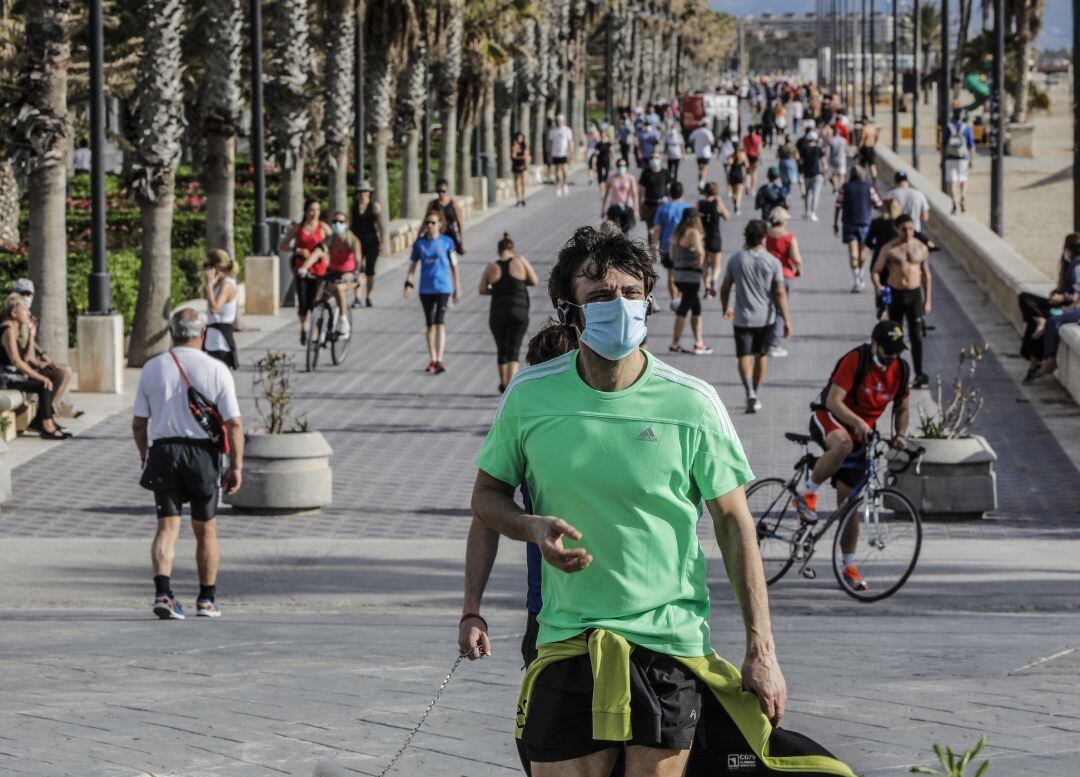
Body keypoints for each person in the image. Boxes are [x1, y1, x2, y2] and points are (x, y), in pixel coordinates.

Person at [470, 225, 840, 777]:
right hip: (567, 643)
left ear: (650, 302)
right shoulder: (530, 396)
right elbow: (486, 496)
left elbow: (736, 524)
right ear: (570, 311)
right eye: (599, 296)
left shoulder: (693, 403)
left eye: (629, 293)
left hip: (667, 646)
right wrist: (530, 526)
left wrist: (763, 651)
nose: (617, 307)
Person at [133, 308, 243, 620]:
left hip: (164, 452)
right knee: (205, 530)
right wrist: (235, 466)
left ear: (171, 331)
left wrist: (145, 456)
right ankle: (206, 599)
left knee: (167, 526)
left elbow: (138, 424)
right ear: (203, 332)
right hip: (202, 455)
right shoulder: (217, 369)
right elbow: (234, 424)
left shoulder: (152, 368)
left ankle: (164, 594)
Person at [791, 321, 911, 592]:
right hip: (830, 418)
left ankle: (848, 565)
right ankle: (805, 494)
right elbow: (834, 400)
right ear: (874, 344)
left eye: (896, 352)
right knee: (842, 445)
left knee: (849, 507)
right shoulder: (855, 360)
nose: (891, 357)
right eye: (886, 351)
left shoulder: (901, 370)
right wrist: (857, 422)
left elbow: (902, 406)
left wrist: (901, 434)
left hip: (863, 434)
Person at [721, 220, 793, 414]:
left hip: (742, 318)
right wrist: (786, 321)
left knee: (744, 355)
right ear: (763, 238)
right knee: (761, 356)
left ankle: (749, 391)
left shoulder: (736, 259)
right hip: (766, 318)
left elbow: (726, 286)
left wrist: (725, 307)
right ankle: (755, 391)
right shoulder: (772, 261)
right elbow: (780, 292)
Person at [871, 215, 932, 387]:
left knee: (916, 336)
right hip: (896, 295)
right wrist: (878, 287)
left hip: (914, 295)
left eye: (911, 228)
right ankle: (893, 373)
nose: (908, 232)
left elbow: (926, 275)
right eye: (904, 228)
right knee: (895, 337)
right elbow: (876, 271)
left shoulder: (921, 248)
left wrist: (928, 300)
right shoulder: (890, 249)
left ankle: (919, 374)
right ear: (897, 229)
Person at [0, 294, 68, 439]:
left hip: (15, 375)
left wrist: (31, 335)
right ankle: (46, 424)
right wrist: (40, 376)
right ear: (14, 312)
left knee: (55, 375)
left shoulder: (14, 328)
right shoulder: (8, 330)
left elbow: (26, 357)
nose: (29, 313)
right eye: (25, 310)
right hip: (6, 379)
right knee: (43, 384)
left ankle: (42, 419)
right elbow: (16, 362)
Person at [479, 231, 539, 393]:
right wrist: (519, 284)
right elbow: (534, 280)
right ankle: (510, 387)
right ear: (513, 250)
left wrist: (497, 291)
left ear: (499, 251)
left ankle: (503, 383)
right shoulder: (520, 261)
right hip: (519, 311)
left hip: (498, 312)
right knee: (514, 349)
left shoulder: (491, 267)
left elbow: (482, 289)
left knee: (502, 349)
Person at [1018, 234, 1080, 382]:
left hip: (1069, 306)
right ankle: (1040, 321)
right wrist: (1057, 294)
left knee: (1047, 320)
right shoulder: (1071, 265)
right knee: (1026, 299)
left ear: (1068, 249)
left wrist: (1065, 301)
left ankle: (1037, 364)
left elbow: (1078, 294)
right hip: (1062, 303)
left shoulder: (1077, 266)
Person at [405, 209, 460, 374]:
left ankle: (440, 359)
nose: (429, 225)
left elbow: (454, 266)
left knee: (439, 322)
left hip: (443, 287)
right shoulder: (419, 243)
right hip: (426, 288)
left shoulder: (447, 242)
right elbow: (413, 265)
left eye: (433, 222)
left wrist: (458, 287)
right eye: (428, 222)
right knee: (430, 324)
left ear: (440, 225)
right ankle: (433, 358)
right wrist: (408, 283)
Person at [10, 278, 73, 408]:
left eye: (29, 294)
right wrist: (37, 362)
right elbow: (22, 355)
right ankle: (45, 414)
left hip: (26, 364)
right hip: (18, 370)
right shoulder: (14, 319)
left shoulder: (25, 315)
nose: (26, 298)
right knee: (60, 373)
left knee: (66, 371)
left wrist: (43, 355)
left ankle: (49, 412)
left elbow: (28, 343)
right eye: (23, 294)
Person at [278, 198, 330, 345]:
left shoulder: (324, 228)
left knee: (316, 302)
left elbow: (333, 243)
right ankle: (304, 328)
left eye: (318, 210)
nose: (315, 213)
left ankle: (315, 333)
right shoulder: (298, 228)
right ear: (306, 211)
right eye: (312, 210)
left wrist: (326, 254)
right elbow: (282, 245)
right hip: (301, 271)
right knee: (303, 303)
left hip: (319, 271)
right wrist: (297, 250)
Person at [669, 208, 713, 355]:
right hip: (691, 277)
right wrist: (698, 263)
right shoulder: (693, 233)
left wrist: (680, 262)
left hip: (679, 275)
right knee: (683, 309)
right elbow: (701, 252)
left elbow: (671, 254)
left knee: (696, 309)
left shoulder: (677, 232)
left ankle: (698, 342)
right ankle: (675, 344)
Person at [834, 165, 883, 292]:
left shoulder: (845, 187)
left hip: (849, 224)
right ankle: (859, 276)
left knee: (853, 254)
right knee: (862, 254)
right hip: (864, 224)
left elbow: (838, 205)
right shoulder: (868, 188)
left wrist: (835, 224)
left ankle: (857, 278)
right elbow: (878, 204)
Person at [765, 208, 803, 359]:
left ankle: (767, 339)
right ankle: (773, 344)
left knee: (770, 308)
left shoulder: (767, 235)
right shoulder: (788, 237)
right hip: (785, 275)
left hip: (768, 275)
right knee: (781, 310)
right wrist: (799, 268)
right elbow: (796, 258)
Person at [651, 181, 692, 305]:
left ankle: (674, 299)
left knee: (671, 273)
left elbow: (657, 230)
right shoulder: (688, 208)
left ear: (669, 193)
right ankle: (680, 296)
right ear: (682, 192)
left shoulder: (663, 208)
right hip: (685, 246)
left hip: (667, 246)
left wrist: (654, 248)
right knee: (682, 272)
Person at [326, 210, 361, 335]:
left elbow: (358, 262)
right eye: (334, 222)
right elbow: (320, 253)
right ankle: (317, 327)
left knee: (339, 288)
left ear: (346, 224)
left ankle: (344, 320)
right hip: (332, 272)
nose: (337, 224)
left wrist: (354, 276)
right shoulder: (329, 240)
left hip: (348, 274)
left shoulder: (353, 240)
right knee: (319, 295)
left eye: (340, 222)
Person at [202, 249, 239, 368]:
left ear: (217, 267)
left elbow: (215, 309)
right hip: (212, 340)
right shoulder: (219, 283)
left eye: (207, 265)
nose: (204, 269)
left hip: (221, 342)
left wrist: (208, 286)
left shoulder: (227, 285)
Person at [351, 180, 384, 307]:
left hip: (372, 241)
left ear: (369, 193)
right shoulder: (353, 207)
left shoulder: (375, 206)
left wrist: (382, 241)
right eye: (360, 191)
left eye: (365, 191)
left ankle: (369, 296)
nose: (363, 194)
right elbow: (350, 224)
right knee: (357, 270)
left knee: (370, 271)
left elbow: (380, 225)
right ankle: (357, 296)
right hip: (357, 242)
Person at [697, 181, 731, 298]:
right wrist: (721, 205)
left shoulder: (699, 203)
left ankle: (706, 289)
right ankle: (714, 279)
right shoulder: (717, 203)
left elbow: (695, 220)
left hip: (702, 238)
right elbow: (727, 216)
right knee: (716, 266)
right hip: (715, 236)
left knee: (704, 265)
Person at [942, 109, 975, 214]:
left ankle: (954, 203)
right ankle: (963, 197)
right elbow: (971, 146)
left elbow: (943, 145)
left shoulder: (948, 127)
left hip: (950, 158)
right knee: (964, 179)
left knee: (952, 182)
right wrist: (971, 160)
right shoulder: (966, 128)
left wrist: (942, 159)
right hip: (963, 158)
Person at [601, 158, 639, 235]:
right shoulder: (611, 178)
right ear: (616, 166)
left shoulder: (630, 178)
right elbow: (606, 194)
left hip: (627, 207)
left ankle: (624, 245)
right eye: (619, 165)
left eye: (623, 165)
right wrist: (603, 209)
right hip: (614, 206)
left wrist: (636, 210)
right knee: (611, 230)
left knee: (625, 231)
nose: (621, 167)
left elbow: (635, 194)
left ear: (626, 166)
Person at [428, 179, 466, 255]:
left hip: (450, 235)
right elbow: (426, 221)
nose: (441, 193)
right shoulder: (433, 204)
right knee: (438, 256)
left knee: (451, 258)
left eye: (443, 191)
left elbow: (459, 224)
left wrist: (462, 242)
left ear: (447, 190)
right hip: (437, 235)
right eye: (438, 191)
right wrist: (418, 236)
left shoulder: (453, 204)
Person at [637, 155, 669, 241]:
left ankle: (661, 251)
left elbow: (669, 188)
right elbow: (640, 191)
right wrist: (639, 207)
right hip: (649, 205)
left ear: (660, 159)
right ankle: (652, 252)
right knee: (650, 230)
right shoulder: (646, 173)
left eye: (656, 157)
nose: (654, 160)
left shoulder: (665, 172)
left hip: (662, 204)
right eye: (652, 158)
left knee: (662, 229)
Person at [800, 130, 826, 220]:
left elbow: (801, 161)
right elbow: (824, 162)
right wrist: (825, 170)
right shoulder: (819, 149)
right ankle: (813, 213)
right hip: (817, 174)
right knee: (816, 195)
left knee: (808, 194)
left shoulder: (804, 149)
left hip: (807, 174)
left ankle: (806, 212)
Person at [548, 114, 574, 197]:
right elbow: (551, 143)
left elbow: (570, 142)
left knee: (565, 172)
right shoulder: (553, 131)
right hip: (556, 154)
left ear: (563, 121)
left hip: (564, 153)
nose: (559, 122)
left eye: (560, 121)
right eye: (557, 121)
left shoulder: (567, 130)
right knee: (557, 172)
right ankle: (558, 187)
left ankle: (565, 184)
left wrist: (570, 153)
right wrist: (550, 153)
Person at [688, 119, 715, 192]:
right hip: (706, 153)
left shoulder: (696, 131)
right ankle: (702, 183)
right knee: (705, 168)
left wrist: (696, 142)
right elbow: (712, 142)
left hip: (698, 152)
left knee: (700, 169)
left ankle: (700, 183)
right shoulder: (708, 132)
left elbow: (690, 140)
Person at [726, 142, 750, 215]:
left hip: (732, 174)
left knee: (734, 193)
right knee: (739, 192)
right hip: (739, 174)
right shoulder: (742, 155)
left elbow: (728, 164)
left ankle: (735, 203)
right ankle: (738, 204)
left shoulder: (731, 156)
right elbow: (747, 165)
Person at [825, 124, 848, 193]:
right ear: (839, 132)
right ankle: (840, 187)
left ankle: (834, 185)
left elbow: (827, 152)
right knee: (841, 175)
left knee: (832, 175)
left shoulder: (830, 140)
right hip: (841, 159)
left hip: (833, 160)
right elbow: (846, 150)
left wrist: (826, 162)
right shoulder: (844, 140)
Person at [512, 131, 532, 207]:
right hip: (515, 166)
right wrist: (521, 156)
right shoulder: (515, 146)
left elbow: (527, 155)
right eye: (518, 138)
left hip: (523, 166)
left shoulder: (525, 146)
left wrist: (525, 157)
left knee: (523, 183)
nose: (520, 139)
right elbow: (513, 156)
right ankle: (518, 199)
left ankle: (523, 198)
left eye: (521, 138)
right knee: (517, 183)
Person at [742, 125, 763, 190]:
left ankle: (747, 186)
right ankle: (752, 189)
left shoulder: (745, 138)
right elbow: (759, 150)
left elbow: (744, 149)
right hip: (755, 156)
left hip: (747, 156)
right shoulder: (758, 138)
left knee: (747, 172)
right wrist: (761, 159)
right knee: (754, 173)